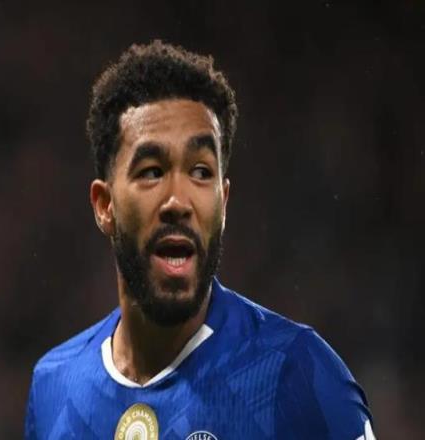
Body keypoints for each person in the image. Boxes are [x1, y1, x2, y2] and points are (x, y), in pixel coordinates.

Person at [24, 40, 375, 440]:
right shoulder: (54, 387)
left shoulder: (298, 375)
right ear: (105, 205)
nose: (178, 201)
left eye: (201, 172)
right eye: (152, 171)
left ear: (223, 203)